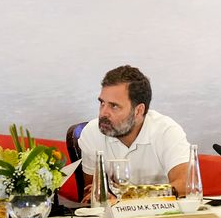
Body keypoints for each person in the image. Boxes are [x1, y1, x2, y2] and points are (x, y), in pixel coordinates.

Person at [79, 65, 191, 196]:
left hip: (161, 213)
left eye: (114, 106)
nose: (103, 113)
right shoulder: (92, 133)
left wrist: (133, 195)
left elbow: (186, 185)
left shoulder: (166, 131)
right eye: (102, 103)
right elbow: (91, 193)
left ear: (138, 111)